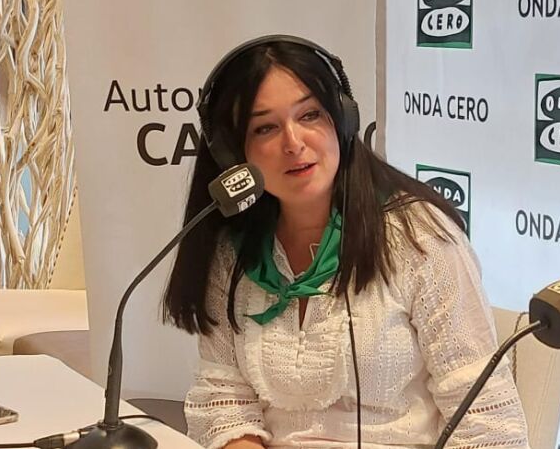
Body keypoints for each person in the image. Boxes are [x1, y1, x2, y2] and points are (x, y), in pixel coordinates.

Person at [163, 35, 529, 449]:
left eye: (310, 115)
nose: (293, 143)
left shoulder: (420, 238)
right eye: (265, 127)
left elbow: (489, 426)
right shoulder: (234, 251)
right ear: (233, 153)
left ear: (343, 119)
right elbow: (225, 401)